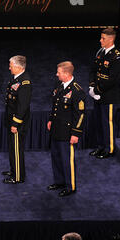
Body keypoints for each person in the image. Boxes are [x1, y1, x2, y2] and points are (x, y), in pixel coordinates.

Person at [47, 61, 86, 197]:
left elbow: (80, 115)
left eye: (59, 72)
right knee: (56, 157)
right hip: (57, 130)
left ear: (67, 74)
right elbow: (55, 105)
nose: (56, 74)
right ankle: (59, 181)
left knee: (67, 160)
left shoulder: (77, 91)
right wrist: (51, 119)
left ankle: (70, 186)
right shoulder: (59, 86)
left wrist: (75, 133)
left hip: (68, 133)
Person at [88, 28, 120, 159]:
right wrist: (92, 86)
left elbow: (113, 80)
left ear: (111, 39)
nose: (100, 40)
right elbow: (93, 70)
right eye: (101, 37)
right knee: (98, 122)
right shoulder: (100, 52)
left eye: (103, 38)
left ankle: (110, 149)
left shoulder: (116, 56)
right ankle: (100, 147)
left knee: (107, 123)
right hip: (97, 95)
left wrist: (97, 90)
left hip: (109, 97)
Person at [2, 55, 32, 184]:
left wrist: (15, 123)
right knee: (12, 147)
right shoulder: (16, 79)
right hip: (11, 118)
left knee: (16, 148)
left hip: (17, 122)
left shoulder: (24, 83)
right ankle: (14, 169)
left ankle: (18, 176)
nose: (9, 68)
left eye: (11, 65)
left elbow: (22, 106)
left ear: (19, 67)